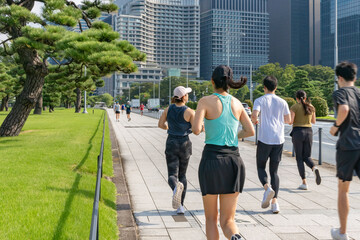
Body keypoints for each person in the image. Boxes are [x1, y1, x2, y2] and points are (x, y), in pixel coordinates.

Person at [193, 65, 254, 240]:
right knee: (228, 220)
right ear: (229, 82)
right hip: (234, 161)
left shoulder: (205, 101)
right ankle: (236, 237)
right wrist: (235, 135)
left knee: (211, 219)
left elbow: (196, 130)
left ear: (212, 81)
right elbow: (250, 131)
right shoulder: (237, 103)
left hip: (212, 159)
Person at [251, 76, 291, 214]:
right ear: (276, 87)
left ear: (264, 87)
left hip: (264, 138)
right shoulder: (283, 102)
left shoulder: (259, 100)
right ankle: (275, 203)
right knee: (274, 171)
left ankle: (267, 188)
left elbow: (254, 115)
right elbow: (288, 119)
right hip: (279, 139)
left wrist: (256, 120)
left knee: (261, 167)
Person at [329, 62, 360, 240]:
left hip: (348, 145)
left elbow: (344, 109)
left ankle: (342, 232)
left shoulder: (340, 93)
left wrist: (335, 126)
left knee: (344, 189)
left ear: (340, 78)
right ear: (354, 77)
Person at [158, 86, 195, 214]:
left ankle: (175, 188)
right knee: (183, 175)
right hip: (184, 143)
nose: (188, 96)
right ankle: (181, 207)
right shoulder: (190, 112)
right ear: (184, 97)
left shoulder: (168, 109)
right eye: (187, 94)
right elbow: (196, 130)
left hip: (171, 142)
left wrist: (170, 128)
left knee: (172, 175)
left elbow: (160, 124)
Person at [289, 90, 321, 190]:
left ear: (296, 98)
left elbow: (290, 122)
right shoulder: (311, 107)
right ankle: (314, 167)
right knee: (307, 156)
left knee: (299, 158)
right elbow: (314, 121)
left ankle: (304, 182)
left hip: (298, 132)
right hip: (309, 132)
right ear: (305, 98)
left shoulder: (294, 107)